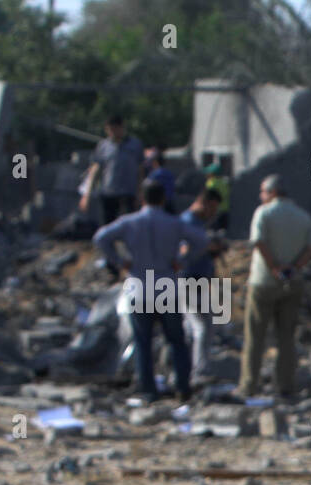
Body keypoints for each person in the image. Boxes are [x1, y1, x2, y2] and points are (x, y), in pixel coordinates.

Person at [93, 179, 208, 403]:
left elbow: (100, 238)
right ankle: (182, 387)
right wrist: (183, 260)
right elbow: (201, 240)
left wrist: (119, 261)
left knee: (142, 341)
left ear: (142, 198)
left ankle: (148, 390)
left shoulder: (129, 222)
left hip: (139, 285)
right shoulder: (173, 223)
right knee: (176, 340)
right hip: (166, 285)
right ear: (163, 199)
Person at [237, 175, 311, 400]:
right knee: (287, 337)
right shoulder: (303, 216)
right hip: (292, 282)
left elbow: (258, 241)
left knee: (255, 336)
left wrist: (274, 267)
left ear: (272, 192)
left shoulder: (263, 213)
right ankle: (285, 386)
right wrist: (293, 268)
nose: (261, 197)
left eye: (263, 192)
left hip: (263, 281)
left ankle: (249, 385)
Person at [180, 189, 225, 387]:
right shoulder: (186, 222)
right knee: (201, 326)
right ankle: (199, 371)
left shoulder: (199, 224)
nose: (213, 213)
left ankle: (187, 370)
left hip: (202, 281)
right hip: (189, 280)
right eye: (212, 208)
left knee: (195, 327)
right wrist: (206, 248)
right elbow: (183, 254)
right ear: (203, 203)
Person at [80, 116, 144, 225]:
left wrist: (140, 192)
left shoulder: (135, 145)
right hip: (108, 192)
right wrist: (86, 195)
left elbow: (140, 170)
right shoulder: (103, 146)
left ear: (122, 128)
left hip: (128, 193)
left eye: (115, 129)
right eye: (110, 130)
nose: (112, 133)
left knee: (129, 225)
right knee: (108, 225)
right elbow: (95, 170)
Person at [204, 162, 231, 231]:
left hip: (215, 211)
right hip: (225, 210)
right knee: (222, 231)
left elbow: (209, 197)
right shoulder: (224, 182)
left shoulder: (211, 183)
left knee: (213, 231)